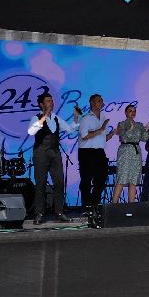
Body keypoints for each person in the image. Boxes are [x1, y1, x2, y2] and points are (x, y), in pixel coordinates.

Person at [27, 92, 78, 223]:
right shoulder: (36, 117)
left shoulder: (56, 118)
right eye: (48, 101)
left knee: (60, 182)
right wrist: (44, 116)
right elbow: (31, 131)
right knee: (41, 184)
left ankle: (59, 212)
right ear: (42, 104)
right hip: (41, 153)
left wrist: (76, 119)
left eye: (52, 101)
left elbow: (70, 130)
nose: (51, 103)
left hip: (55, 153)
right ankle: (39, 213)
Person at [76, 94, 114, 211]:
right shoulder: (86, 118)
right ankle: (87, 206)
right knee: (86, 180)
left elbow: (103, 138)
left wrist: (113, 133)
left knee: (101, 179)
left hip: (100, 152)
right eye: (98, 101)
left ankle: (94, 204)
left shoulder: (103, 117)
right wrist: (101, 129)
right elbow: (85, 136)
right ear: (92, 102)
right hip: (86, 152)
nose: (101, 103)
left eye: (102, 101)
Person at [112, 104, 147, 203]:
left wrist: (147, 129)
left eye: (134, 111)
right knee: (122, 177)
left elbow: (144, 138)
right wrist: (130, 129)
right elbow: (123, 137)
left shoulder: (139, 125)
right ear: (126, 112)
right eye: (130, 111)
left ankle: (131, 205)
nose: (133, 113)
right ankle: (113, 205)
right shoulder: (122, 124)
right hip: (125, 150)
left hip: (136, 151)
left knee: (134, 179)